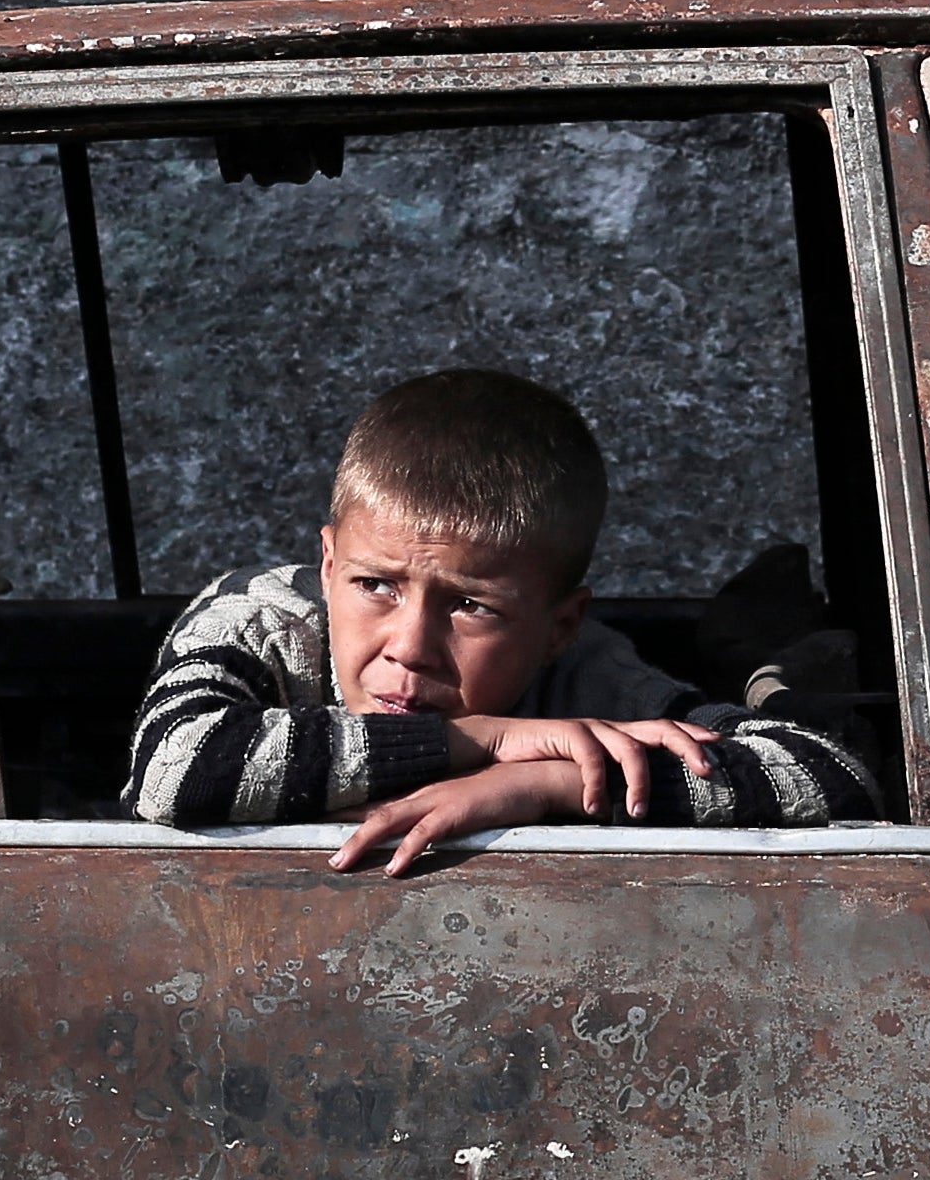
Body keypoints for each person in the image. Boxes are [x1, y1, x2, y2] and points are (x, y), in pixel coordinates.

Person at [128, 367, 878, 870]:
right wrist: (481, 740)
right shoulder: (265, 619)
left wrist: (546, 785)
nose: (410, 647)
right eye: (375, 586)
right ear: (329, 567)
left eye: (470, 605)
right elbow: (172, 767)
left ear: (558, 627)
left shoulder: (585, 675)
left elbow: (832, 777)